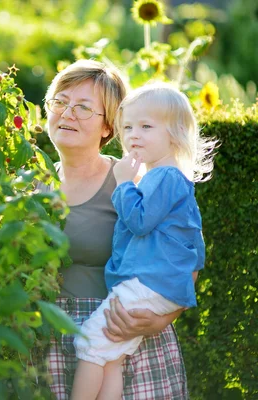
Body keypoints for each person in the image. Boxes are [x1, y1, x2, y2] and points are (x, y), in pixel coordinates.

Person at [37, 60, 192, 399]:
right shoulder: (31, 186)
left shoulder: (132, 182)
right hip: (46, 344)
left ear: (109, 127)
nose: (67, 113)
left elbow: (186, 258)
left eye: (83, 107)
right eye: (60, 102)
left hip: (122, 340)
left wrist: (160, 320)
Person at [69, 83, 214, 400]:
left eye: (146, 126)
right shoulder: (173, 181)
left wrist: (123, 183)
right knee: (112, 357)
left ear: (174, 134)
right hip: (162, 287)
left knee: (90, 344)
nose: (133, 135)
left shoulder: (163, 177)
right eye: (128, 127)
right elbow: (196, 251)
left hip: (147, 284)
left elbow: (138, 220)